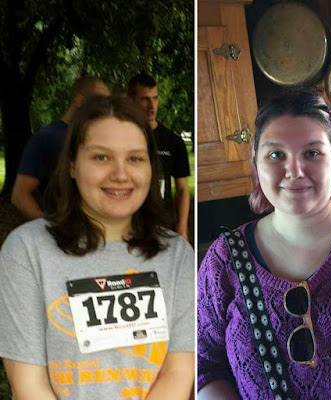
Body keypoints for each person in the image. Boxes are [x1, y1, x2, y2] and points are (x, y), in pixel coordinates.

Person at [197, 90, 331, 400]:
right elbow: (204, 365)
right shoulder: (223, 259)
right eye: (276, 154)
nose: (294, 171)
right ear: (256, 163)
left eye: (312, 153)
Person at [0, 95, 194, 399]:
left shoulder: (178, 257)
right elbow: (28, 385)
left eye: (135, 158)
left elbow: (178, 373)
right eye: (101, 157)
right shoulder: (26, 252)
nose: (120, 174)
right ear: (73, 165)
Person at [11, 76, 110, 220]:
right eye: (100, 101)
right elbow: (19, 196)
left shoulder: (98, 138)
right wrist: (49, 228)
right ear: (79, 101)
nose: (106, 107)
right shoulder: (46, 138)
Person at [127, 73, 190, 239]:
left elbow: (182, 189)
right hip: (128, 222)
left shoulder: (173, 141)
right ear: (131, 100)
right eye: (145, 99)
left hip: (163, 223)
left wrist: (182, 227)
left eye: (155, 98)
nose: (152, 106)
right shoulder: (122, 137)